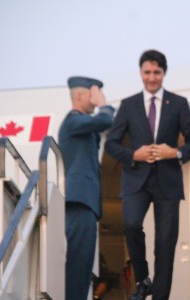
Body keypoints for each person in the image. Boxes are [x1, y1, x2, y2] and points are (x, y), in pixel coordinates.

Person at [105, 49, 190, 300]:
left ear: (164, 73)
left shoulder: (178, 103)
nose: (151, 78)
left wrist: (175, 153)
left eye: (156, 72)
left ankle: (160, 297)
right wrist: (132, 155)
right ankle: (143, 279)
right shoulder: (128, 105)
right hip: (136, 178)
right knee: (131, 225)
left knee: (165, 246)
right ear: (141, 73)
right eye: (147, 72)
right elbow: (111, 144)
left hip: (168, 182)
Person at [58, 76, 115, 300]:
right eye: (93, 94)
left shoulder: (83, 127)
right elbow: (105, 121)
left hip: (86, 203)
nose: (96, 99)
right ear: (79, 95)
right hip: (79, 201)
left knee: (82, 269)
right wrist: (104, 104)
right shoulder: (73, 121)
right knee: (77, 267)